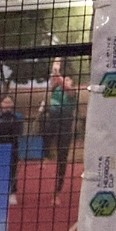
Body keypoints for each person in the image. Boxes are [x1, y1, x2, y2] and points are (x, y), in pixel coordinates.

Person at [39, 61, 78, 198]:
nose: (65, 81)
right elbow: (55, 79)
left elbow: (63, 84)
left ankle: (58, 190)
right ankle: (46, 155)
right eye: (64, 78)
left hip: (65, 125)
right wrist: (56, 64)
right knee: (44, 127)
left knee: (63, 157)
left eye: (68, 80)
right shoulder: (55, 88)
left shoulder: (72, 93)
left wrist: (58, 74)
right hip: (52, 122)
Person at [0, 94, 26, 198]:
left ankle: (12, 192)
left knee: (12, 170)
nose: (7, 104)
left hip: (13, 147)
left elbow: (19, 132)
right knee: (0, 170)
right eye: (5, 102)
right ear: (1, 104)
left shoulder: (17, 117)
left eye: (9, 102)